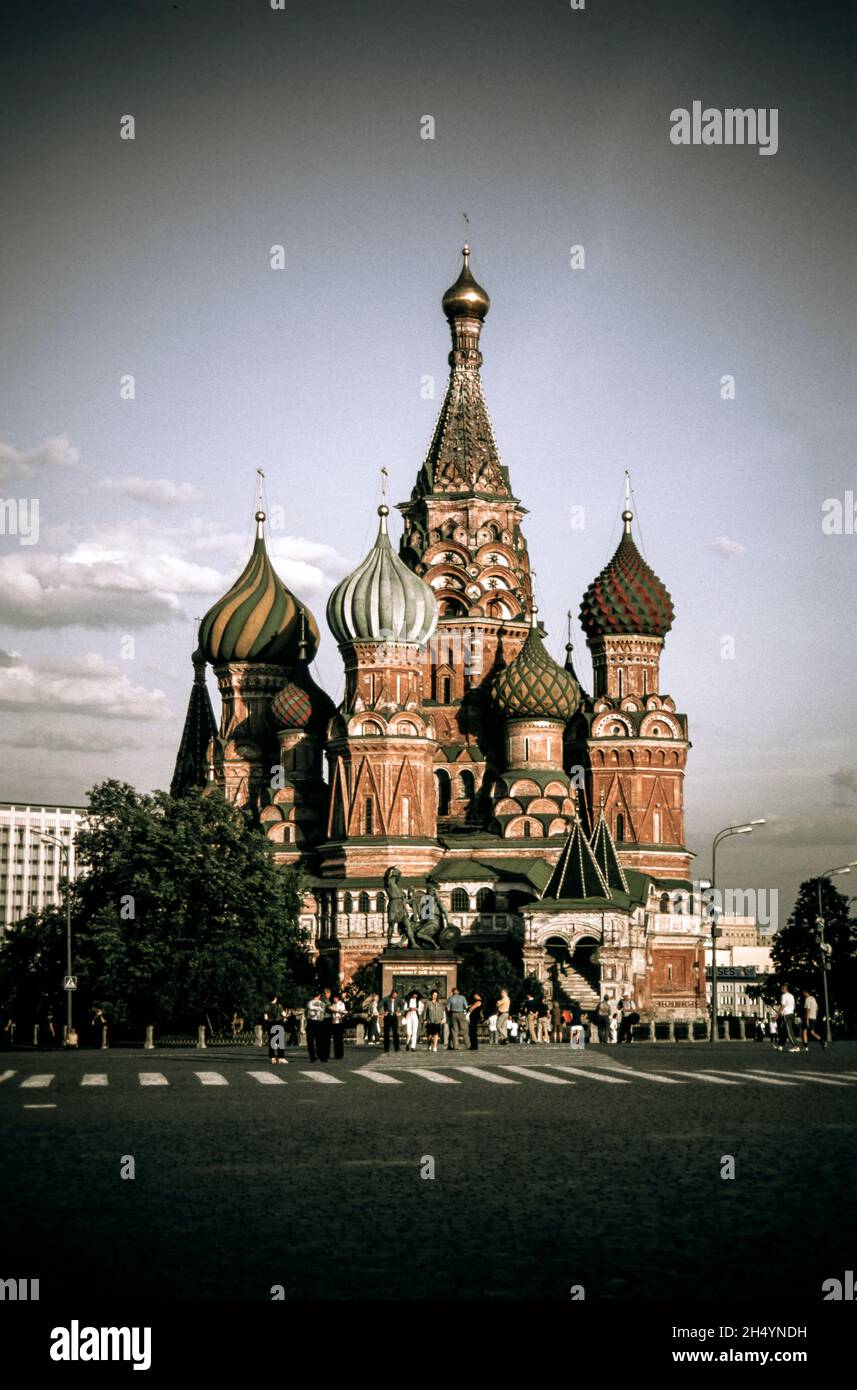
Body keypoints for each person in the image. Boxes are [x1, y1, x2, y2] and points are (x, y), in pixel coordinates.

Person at [774, 981, 799, 1052]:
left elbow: (782, 1006)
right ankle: (780, 1045)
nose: (781, 990)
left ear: (786, 989)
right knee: (784, 1031)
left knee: (789, 1031)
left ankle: (795, 1046)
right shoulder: (791, 996)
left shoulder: (784, 996)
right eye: (781, 988)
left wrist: (777, 1015)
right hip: (791, 1014)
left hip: (786, 1015)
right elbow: (794, 1006)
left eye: (782, 988)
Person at [305, 989, 327, 1062]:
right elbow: (323, 1013)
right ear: (319, 995)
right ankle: (321, 1056)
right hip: (320, 1022)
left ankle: (312, 1057)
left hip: (311, 1022)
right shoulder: (323, 1004)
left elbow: (306, 1012)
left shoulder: (309, 1003)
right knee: (319, 1040)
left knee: (310, 1040)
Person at [446, 986, 469, 1050]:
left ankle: (456, 1046)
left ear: (452, 992)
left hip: (453, 1014)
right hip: (461, 1013)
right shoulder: (462, 998)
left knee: (454, 1031)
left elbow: (448, 1009)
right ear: (459, 991)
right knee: (464, 1030)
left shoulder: (450, 998)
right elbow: (466, 1006)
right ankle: (467, 1045)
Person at [330, 992, 347, 1059]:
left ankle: (340, 1054)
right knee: (335, 1039)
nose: (334, 999)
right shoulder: (332, 1004)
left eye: (335, 998)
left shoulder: (341, 1004)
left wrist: (341, 1016)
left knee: (339, 1039)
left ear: (337, 998)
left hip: (339, 1022)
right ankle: (336, 1054)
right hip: (334, 1022)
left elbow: (344, 1012)